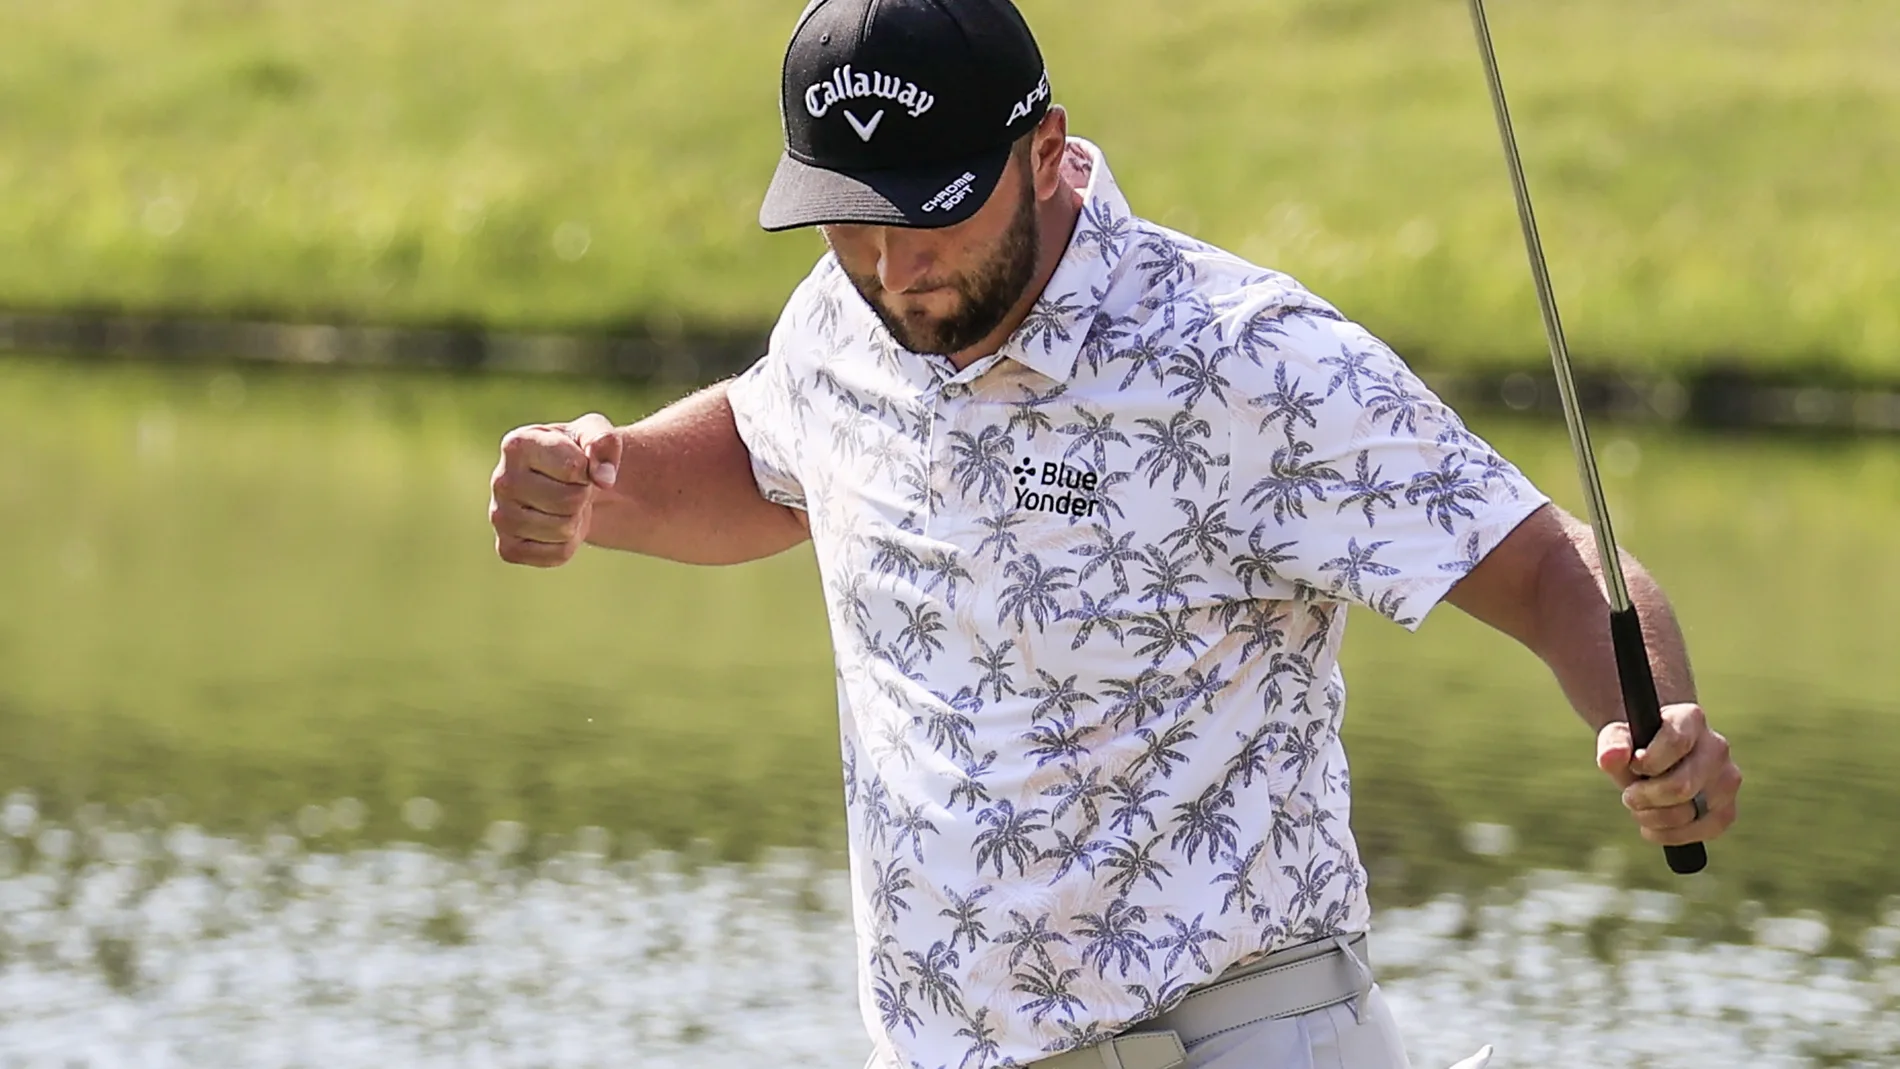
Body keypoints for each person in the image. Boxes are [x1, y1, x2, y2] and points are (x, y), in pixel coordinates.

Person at [486, 1, 1742, 1066]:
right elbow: (772, 459)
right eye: (851, 223)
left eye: (931, 215)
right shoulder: (849, 318)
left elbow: (1541, 563)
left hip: (1229, 1036)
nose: (891, 267)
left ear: (1043, 151)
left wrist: (1653, 724)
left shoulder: (1243, 357)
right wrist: (606, 484)